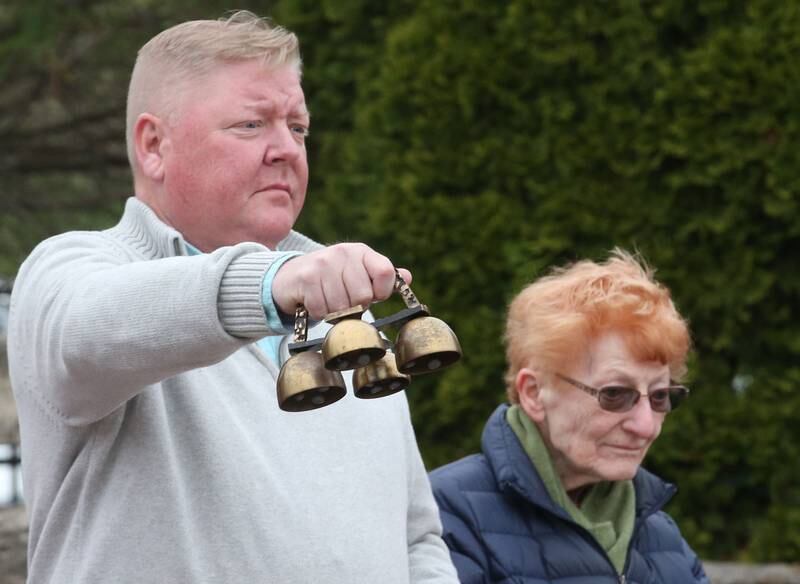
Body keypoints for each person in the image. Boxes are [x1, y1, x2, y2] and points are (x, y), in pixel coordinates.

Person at [7, 11, 458, 584]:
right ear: (153, 146)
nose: (286, 150)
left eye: (298, 128)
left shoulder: (347, 313)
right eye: (251, 124)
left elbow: (416, 537)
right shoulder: (68, 268)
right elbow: (90, 329)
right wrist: (272, 284)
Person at [429, 250, 709, 583]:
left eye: (660, 396)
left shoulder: (663, 538)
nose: (646, 426)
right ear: (534, 393)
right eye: (615, 394)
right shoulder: (446, 516)